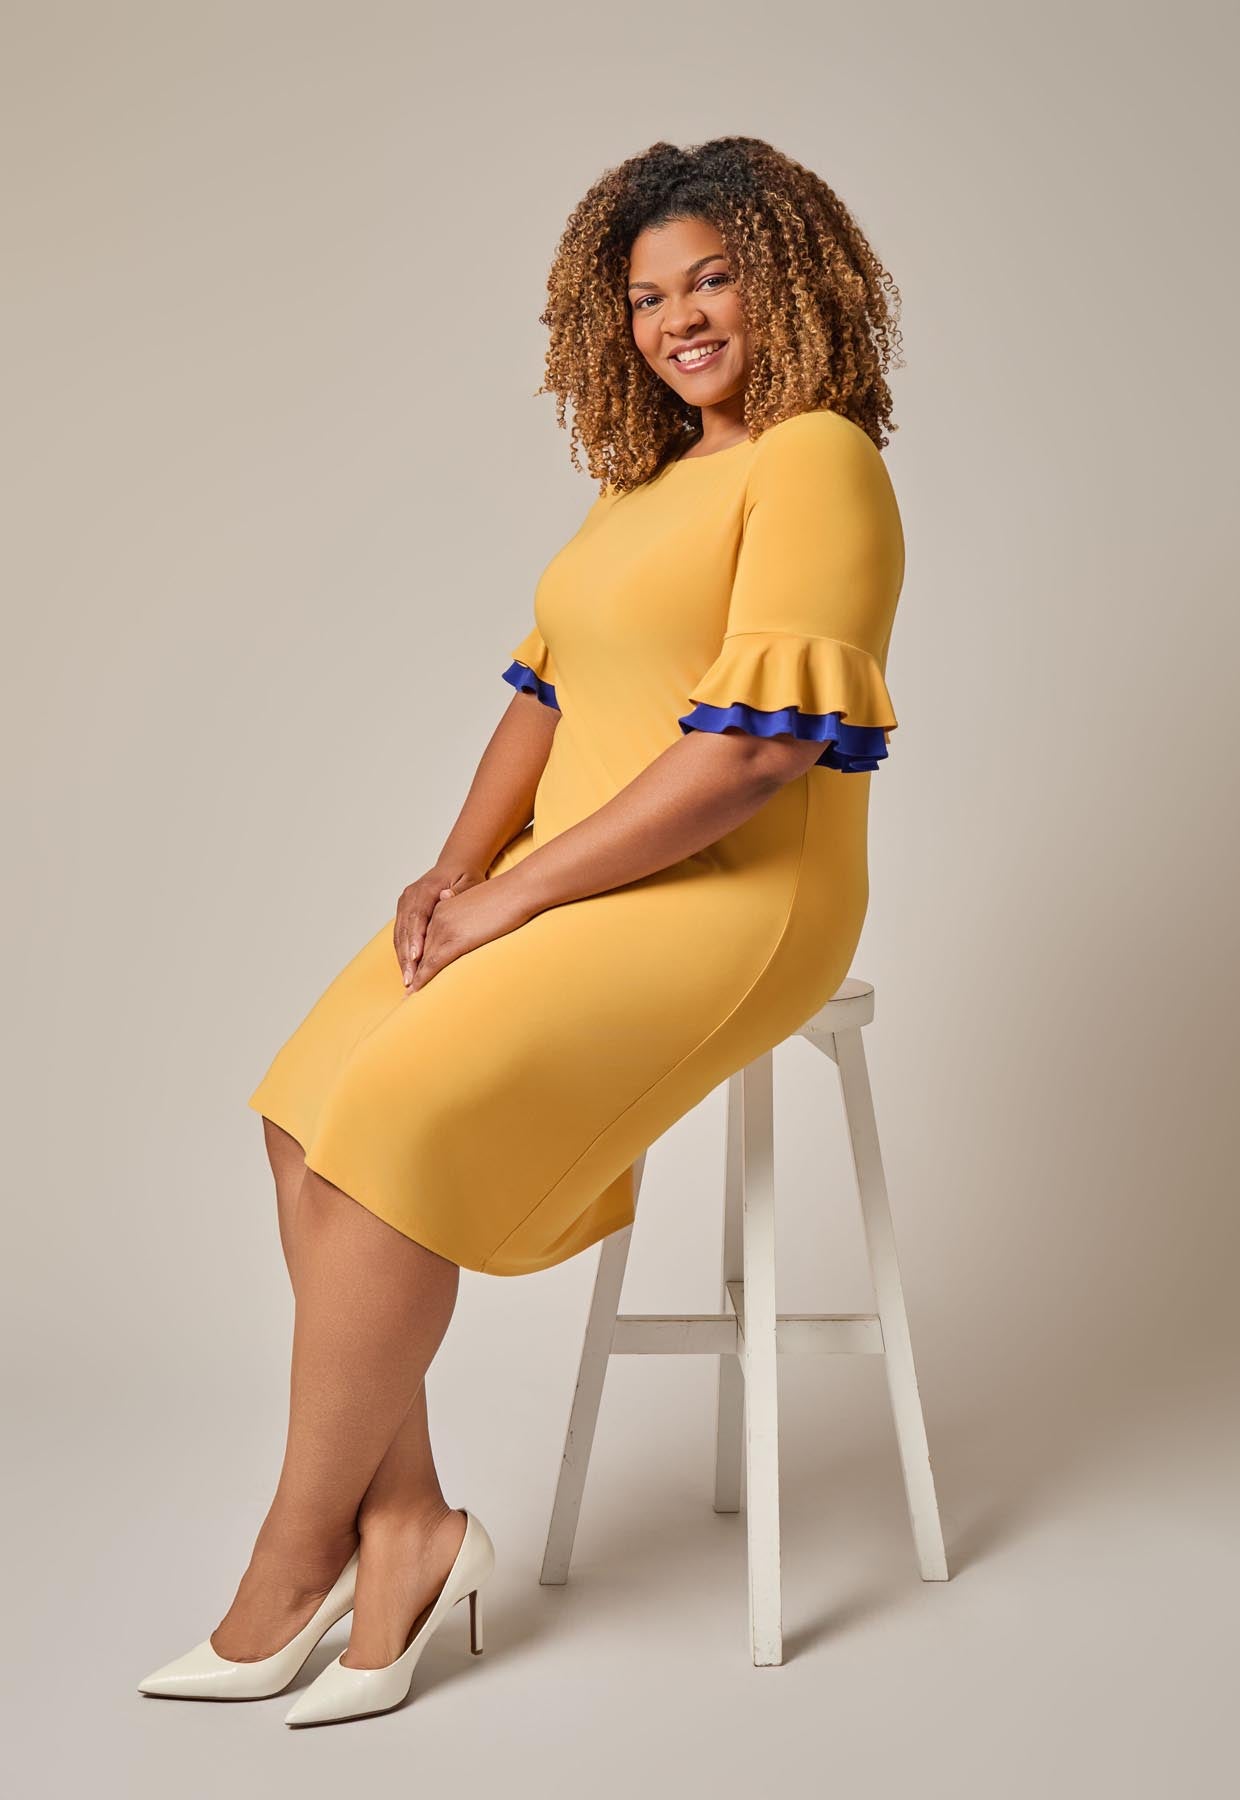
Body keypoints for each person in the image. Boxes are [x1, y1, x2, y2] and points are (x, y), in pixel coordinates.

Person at [138, 134, 907, 1725]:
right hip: (572, 871)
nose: (678, 319)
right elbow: (546, 696)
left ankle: (294, 1557)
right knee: (304, 1111)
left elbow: (755, 758)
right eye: (646, 297)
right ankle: (409, 1529)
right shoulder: (641, 488)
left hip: (735, 895)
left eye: (711, 279)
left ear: (785, 282)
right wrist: (451, 870)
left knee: (396, 1119)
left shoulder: (815, 458)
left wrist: (519, 896)